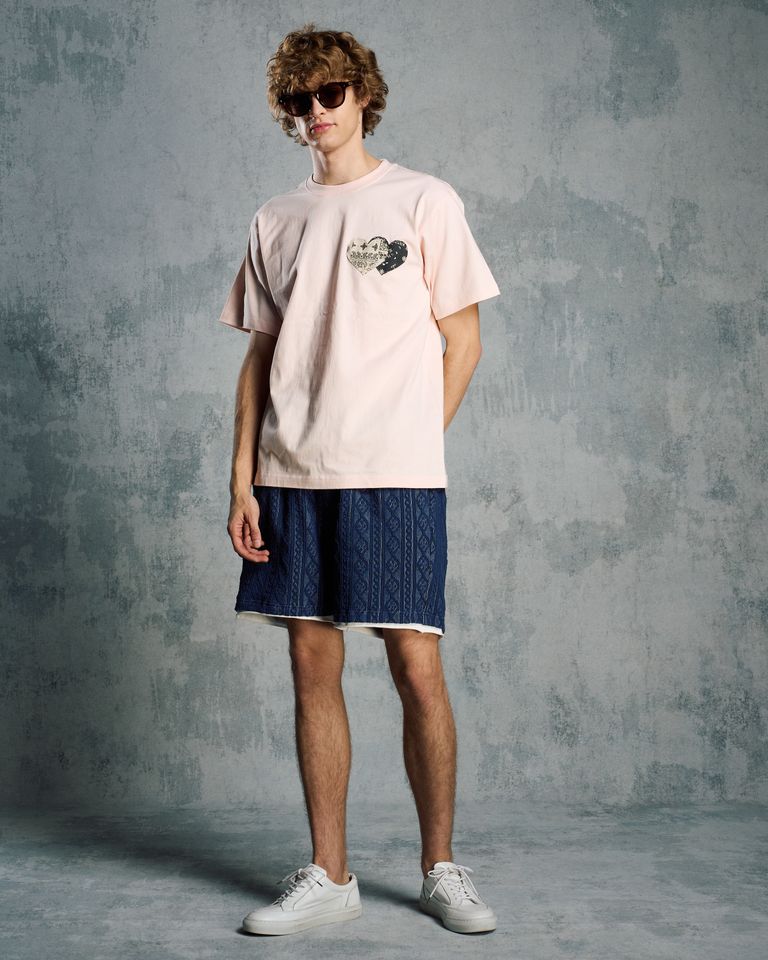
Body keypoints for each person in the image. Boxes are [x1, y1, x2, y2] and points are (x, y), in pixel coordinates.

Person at [217, 22, 501, 937]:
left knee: (415, 665)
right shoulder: (276, 218)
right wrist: (241, 480)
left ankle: (441, 868)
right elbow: (261, 357)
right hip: (291, 474)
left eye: (329, 94)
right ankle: (329, 874)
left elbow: (463, 340)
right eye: (298, 100)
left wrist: (410, 438)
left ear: (361, 96)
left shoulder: (423, 200)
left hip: (396, 477)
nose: (316, 112)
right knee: (311, 663)